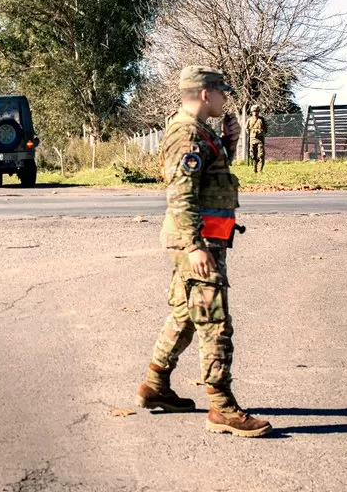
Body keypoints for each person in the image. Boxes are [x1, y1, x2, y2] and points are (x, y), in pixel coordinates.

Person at [134, 66, 272, 437]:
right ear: (205, 94)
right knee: (214, 321)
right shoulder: (186, 135)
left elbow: (208, 178)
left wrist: (227, 144)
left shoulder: (199, 132)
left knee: (185, 313)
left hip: (199, 239)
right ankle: (222, 406)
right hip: (196, 242)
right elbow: (181, 195)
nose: (225, 99)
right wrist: (195, 246)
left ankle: (155, 384)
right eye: (221, 92)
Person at [247, 105, 268, 173]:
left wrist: (260, 132)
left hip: (260, 140)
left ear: (258, 112)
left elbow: (266, 128)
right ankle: (254, 169)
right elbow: (246, 128)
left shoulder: (262, 119)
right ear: (252, 112)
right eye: (254, 111)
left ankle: (260, 170)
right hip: (252, 139)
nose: (255, 113)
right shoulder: (249, 119)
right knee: (253, 155)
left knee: (261, 155)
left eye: (256, 111)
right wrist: (252, 133)